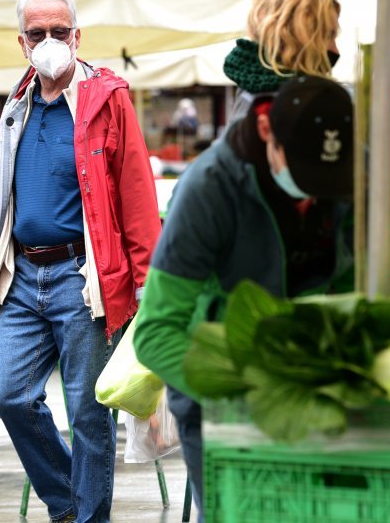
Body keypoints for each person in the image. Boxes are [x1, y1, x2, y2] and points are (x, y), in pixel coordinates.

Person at [0, 0, 162, 523]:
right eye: (38, 33)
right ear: (22, 42)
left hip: (85, 279)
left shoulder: (108, 99)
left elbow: (136, 193)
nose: (50, 41)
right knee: (9, 397)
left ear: (78, 36)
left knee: (87, 410)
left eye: (60, 31)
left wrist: (148, 279)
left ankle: (87, 518)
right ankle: (69, 506)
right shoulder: (16, 107)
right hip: (23, 275)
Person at [133, 75, 355, 521]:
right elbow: (155, 333)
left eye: (325, 182)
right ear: (267, 130)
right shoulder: (209, 188)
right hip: (218, 398)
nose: (314, 193)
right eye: (305, 176)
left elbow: (359, 285)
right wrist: (247, 388)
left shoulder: (349, 171)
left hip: (314, 393)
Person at [222, 0, 341, 119]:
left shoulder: (249, 90)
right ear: (293, 35)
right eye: (328, 35)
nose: (336, 51)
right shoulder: (307, 102)